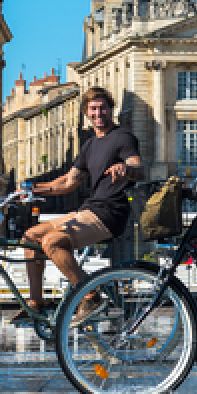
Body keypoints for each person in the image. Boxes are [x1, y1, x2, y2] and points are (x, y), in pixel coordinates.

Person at [21, 86, 142, 321]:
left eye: (102, 108)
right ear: (87, 112)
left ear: (110, 108)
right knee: (30, 236)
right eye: (93, 109)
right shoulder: (89, 145)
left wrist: (126, 168)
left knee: (52, 242)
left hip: (110, 214)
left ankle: (91, 297)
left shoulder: (123, 137)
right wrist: (30, 189)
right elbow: (68, 182)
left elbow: (140, 168)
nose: (99, 113)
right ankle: (35, 304)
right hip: (89, 210)